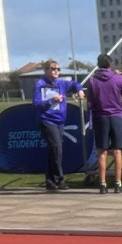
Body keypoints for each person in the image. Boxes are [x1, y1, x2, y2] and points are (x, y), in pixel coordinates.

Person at [85, 53, 122, 193]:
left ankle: (102, 184)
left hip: (100, 117)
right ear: (110, 64)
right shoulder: (117, 78)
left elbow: (90, 102)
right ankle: (118, 184)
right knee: (117, 151)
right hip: (116, 116)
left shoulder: (93, 81)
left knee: (102, 152)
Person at [32, 59, 85, 191]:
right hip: (47, 120)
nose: (56, 71)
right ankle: (59, 179)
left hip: (60, 121)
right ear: (46, 70)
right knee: (57, 149)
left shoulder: (61, 83)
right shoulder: (40, 84)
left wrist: (79, 90)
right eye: (53, 68)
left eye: (58, 69)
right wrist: (52, 100)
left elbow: (75, 83)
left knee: (54, 151)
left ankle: (50, 181)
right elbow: (37, 104)